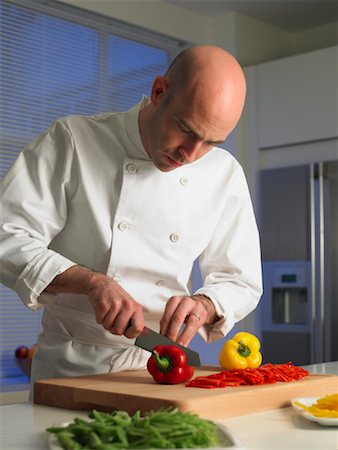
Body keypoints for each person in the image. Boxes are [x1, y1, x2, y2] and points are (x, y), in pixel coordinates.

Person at [0, 45, 262, 386]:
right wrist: (91, 282)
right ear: (158, 92)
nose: (191, 154)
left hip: (163, 368)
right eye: (185, 129)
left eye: (211, 142)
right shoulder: (73, 140)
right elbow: (8, 236)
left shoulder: (224, 173)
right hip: (72, 368)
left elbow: (241, 279)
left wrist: (206, 303)